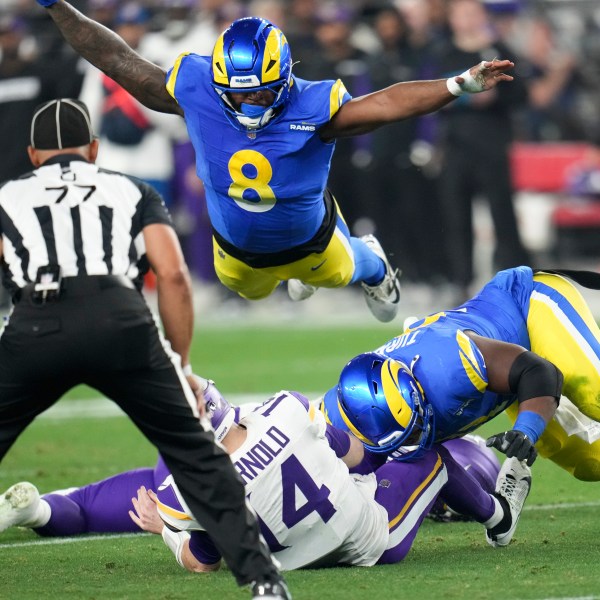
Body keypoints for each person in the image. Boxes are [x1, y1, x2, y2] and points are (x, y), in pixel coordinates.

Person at [36, 3, 516, 323]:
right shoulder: (195, 90)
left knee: (346, 271)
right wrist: (55, 5)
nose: (249, 105)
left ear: (285, 77)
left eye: (262, 92)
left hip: (312, 240)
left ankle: (374, 262)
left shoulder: (314, 106)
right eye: (238, 94)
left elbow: (386, 104)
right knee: (249, 292)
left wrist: (456, 85)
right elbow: (115, 59)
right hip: (235, 250)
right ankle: (293, 278)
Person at [0, 98, 288, 600]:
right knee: (196, 456)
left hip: (37, 324)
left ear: (32, 154)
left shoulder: (8, 196)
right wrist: (182, 367)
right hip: (121, 321)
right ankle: (263, 581)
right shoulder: (128, 188)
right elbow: (172, 274)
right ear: (93, 149)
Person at [0, 383, 530, 568]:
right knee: (425, 449)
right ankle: (497, 516)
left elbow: (202, 561)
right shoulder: (283, 408)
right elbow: (350, 455)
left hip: (301, 556)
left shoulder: (193, 489)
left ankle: (42, 510)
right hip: (369, 537)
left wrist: (162, 528)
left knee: (105, 501)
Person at [322, 265, 600, 482]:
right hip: (505, 377)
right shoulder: (340, 413)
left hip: (528, 308)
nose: (414, 441)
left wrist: (525, 431)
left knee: (593, 394)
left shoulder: (449, 368)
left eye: (413, 429)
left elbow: (540, 373)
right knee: (590, 462)